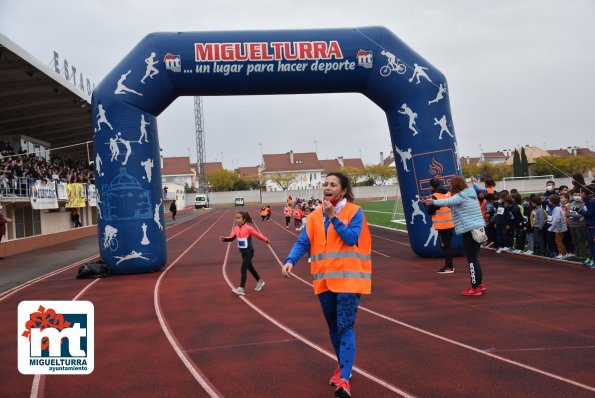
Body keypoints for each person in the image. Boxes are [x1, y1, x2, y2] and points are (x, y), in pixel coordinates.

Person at [282, 172, 371, 398]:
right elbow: (304, 241)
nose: (327, 187)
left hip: (349, 280)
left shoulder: (355, 212)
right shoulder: (313, 216)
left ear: (343, 190)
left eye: (333, 185)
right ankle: (344, 367)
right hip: (323, 280)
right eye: (325, 184)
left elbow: (351, 238)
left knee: (345, 326)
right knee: (333, 328)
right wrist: (290, 260)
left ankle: (345, 379)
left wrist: (334, 218)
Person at [423, 176, 487, 296]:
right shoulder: (471, 193)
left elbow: (447, 202)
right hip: (479, 228)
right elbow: (453, 201)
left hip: (470, 231)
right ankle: (479, 284)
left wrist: (432, 201)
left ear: (455, 186)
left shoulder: (460, 196)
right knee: (475, 258)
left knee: (472, 260)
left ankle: (474, 288)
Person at [220, 211, 269, 296]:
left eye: (238, 218)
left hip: (249, 252)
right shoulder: (236, 228)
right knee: (250, 268)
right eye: (236, 218)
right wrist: (224, 239)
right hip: (242, 252)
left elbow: (257, 235)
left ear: (244, 220)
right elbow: (231, 238)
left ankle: (241, 289)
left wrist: (266, 240)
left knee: (243, 268)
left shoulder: (248, 228)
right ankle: (260, 281)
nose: (236, 219)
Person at [425, 178, 455, 274]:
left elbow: (430, 211)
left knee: (445, 247)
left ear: (432, 186)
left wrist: (425, 204)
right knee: (448, 246)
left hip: (442, 226)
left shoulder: (435, 196)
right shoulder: (448, 193)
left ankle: (449, 267)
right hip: (451, 223)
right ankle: (449, 266)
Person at [578, 186, 595, 269]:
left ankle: (594, 260)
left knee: (593, 243)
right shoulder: (588, 201)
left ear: (584, 193)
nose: (580, 195)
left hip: (593, 226)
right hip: (589, 225)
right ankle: (591, 257)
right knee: (590, 243)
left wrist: (581, 211)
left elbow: (590, 214)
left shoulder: (591, 201)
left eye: (581, 193)